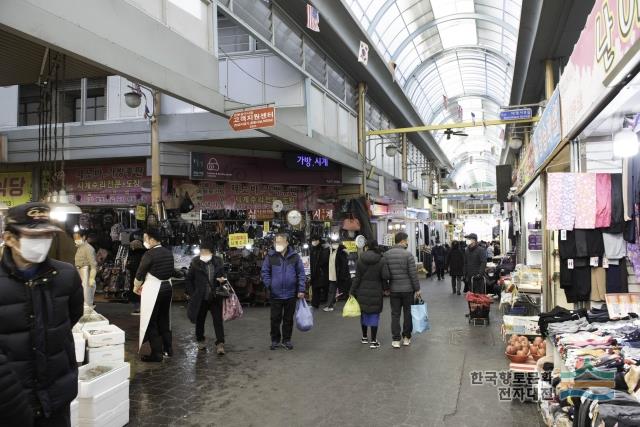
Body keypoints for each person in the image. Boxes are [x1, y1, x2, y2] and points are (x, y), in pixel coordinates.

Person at [0, 202, 83, 426]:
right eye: (33, 236)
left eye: (47, 235)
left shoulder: (66, 276)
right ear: (9, 238)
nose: (43, 242)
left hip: (57, 396)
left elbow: (71, 317)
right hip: (12, 403)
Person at [134, 228, 175, 362]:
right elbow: (172, 271)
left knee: (151, 322)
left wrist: (136, 286)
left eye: (145, 239)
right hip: (167, 289)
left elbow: (140, 273)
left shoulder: (149, 254)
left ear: (152, 240)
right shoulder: (168, 253)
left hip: (154, 290)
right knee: (164, 320)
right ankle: (168, 349)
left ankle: (157, 354)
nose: (144, 241)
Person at [261, 233, 306, 350]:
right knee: (275, 319)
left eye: (281, 242)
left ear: (287, 243)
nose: (278, 244)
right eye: (276, 242)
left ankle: (286, 340)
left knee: (288, 319)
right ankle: (275, 340)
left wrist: (301, 289)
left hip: (291, 294)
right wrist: (269, 284)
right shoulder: (270, 256)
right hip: (275, 294)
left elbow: (301, 273)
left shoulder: (295, 257)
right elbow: (264, 272)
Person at [185, 237, 227, 355]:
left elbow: (224, 278)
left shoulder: (218, 262)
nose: (203, 253)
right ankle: (200, 341)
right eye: (202, 251)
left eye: (206, 251)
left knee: (218, 321)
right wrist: (193, 293)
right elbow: (189, 279)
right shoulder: (195, 263)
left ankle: (220, 344)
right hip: (200, 298)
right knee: (200, 321)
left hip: (215, 297)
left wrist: (222, 281)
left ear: (212, 252)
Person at [383, 232, 421, 348]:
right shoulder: (408, 255)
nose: (407, 242)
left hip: (394, 289)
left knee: (395, 314)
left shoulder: (386, 255)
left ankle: (395, 340)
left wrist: (386, 288)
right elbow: (413, 274)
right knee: (407, 314)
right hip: (408, 290)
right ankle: (406, 338)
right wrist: (417, 289)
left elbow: (384, 274)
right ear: (403, 241)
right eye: (407, 240)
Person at [350, 240, 389, 349]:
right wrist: (386, 289)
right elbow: (385, 276)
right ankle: (373, 341)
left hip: (362, 290)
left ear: (366, 247)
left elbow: (357, 278)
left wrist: (352, 291)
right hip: (376, 290)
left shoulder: (360, 259)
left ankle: (364, 337)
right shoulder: (381, 259)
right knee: (374, 314)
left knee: (364, 313)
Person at [323, 238, 351, 312]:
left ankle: (330, 305)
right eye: (333, 243)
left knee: (342, 290)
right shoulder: (329, 251)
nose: (334, 245)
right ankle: (330, 305)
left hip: (339, 275)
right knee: (332, 290)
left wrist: (343, 275)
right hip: (332, 274)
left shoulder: (341, 252)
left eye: (336, 243)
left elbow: (344, 265)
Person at [74, 229, 98, 308]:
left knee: (87, 293)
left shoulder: (89, 248)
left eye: (77, 237)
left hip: (86, 272)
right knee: (81, 293)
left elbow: (93, 264)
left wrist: (91, 278)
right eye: (75, 238)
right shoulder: (80, 247)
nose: (75, 239)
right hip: (79, 271)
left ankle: (88, 310)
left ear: (83, 237)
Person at [309, 235, 329, 309]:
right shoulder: (313, 249)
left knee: (323, 287)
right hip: (315, 272)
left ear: (319, 241)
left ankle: (326, 303)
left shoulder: (324, 249)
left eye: (315, 240)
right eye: (313, 240)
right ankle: (315, 304)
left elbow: (324, 260)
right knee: (315, 288)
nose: (313, 242)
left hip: (321, 272)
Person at [126, 239, 146, 315]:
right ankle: (141, 308)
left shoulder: (135, 255)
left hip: (136, 276)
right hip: (142, 276)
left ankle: (138, 309)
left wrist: (128, 265)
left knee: (136, 292)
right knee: (141, 292)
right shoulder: (144, 254)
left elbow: (134, 266)